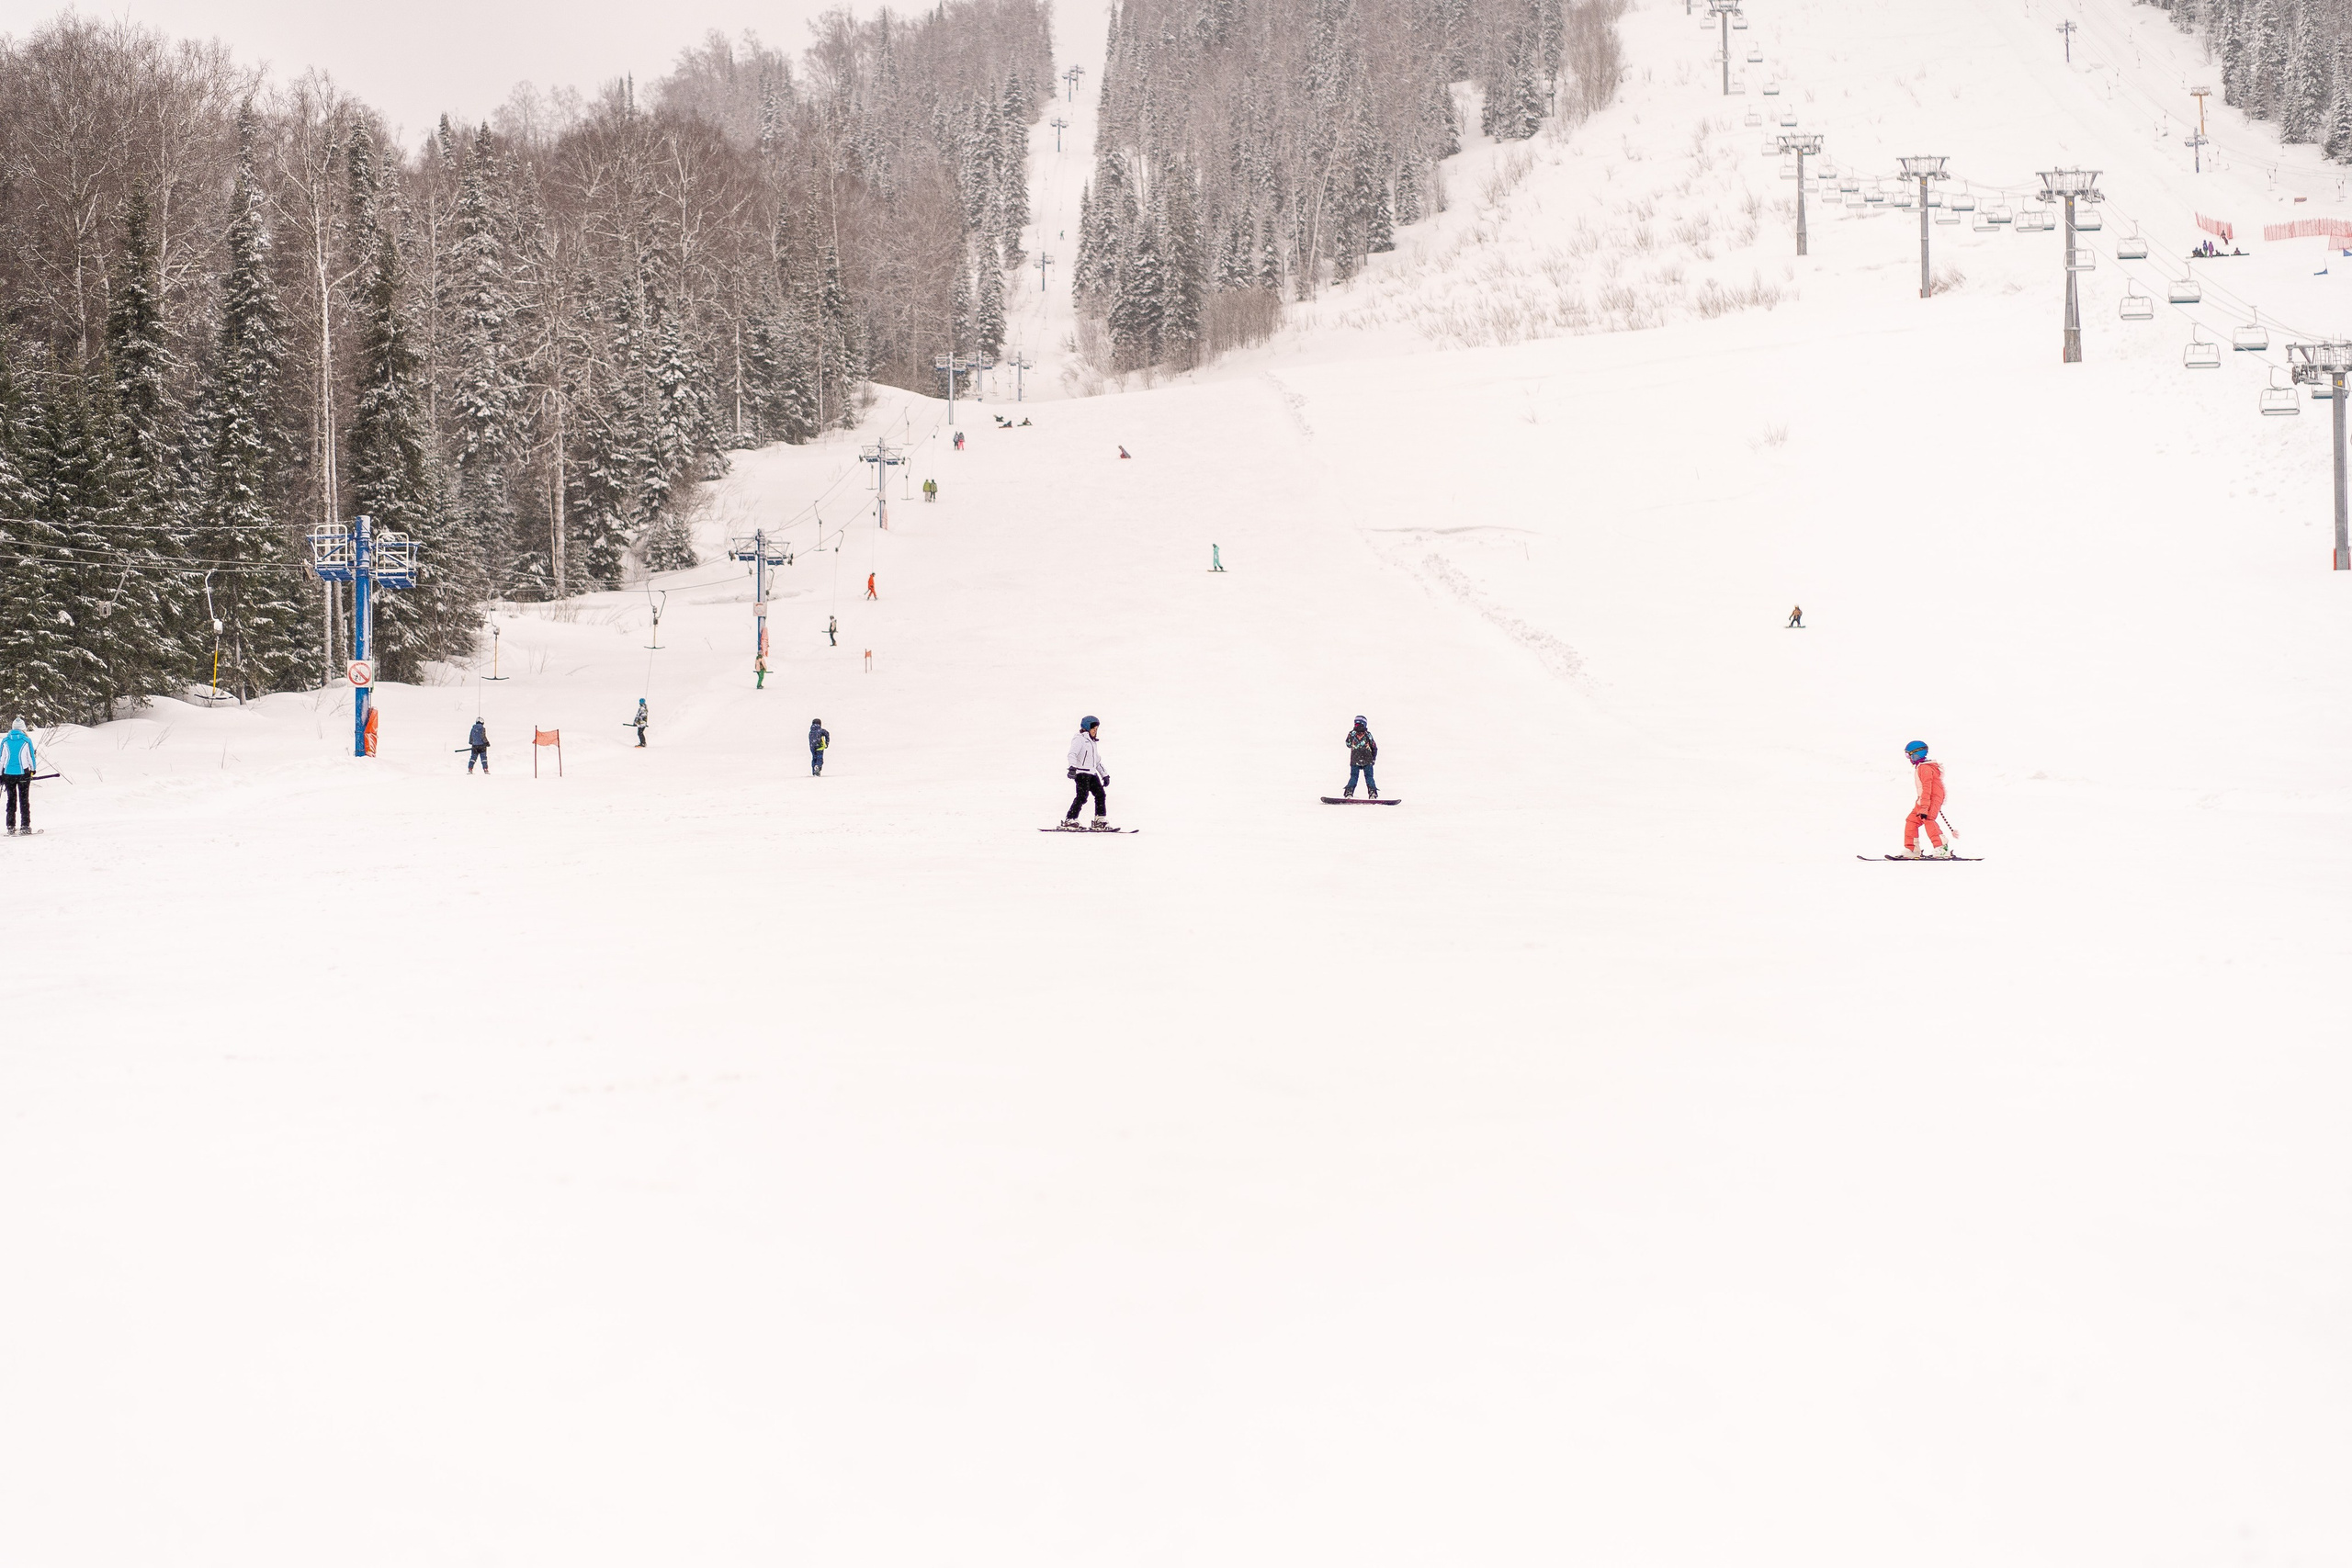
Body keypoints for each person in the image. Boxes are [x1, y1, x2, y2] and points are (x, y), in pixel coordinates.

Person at [1900, 739, 1951, 857]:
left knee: (1928, 819)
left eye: (1908, 755)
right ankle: (1912, 849)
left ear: (1916, 754)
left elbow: (1927, 789)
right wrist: (1921, 803)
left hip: (1931, 799)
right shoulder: (1921, 767)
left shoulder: (1925, 768)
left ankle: (1942, 848)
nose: (1908, 758)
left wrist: (1924, 807)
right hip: (1924, 800)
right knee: (1911, 821)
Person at [1061, 715, 1113, 829]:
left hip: (1092, 773)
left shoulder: (1093, 742)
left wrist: (1104, 775)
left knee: (1100, 794)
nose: (1095, 731)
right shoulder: (1079, 739)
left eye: (1096, 729)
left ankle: (1100, 819)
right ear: (1087, 727)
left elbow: (1097, 761)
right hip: (1081, 773)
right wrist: (1072, 768)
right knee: (1082, 796)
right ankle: (1070, 819)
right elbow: (1072, 754)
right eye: (1093, 728)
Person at [3, 717, 35, 834]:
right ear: (23, 729)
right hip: (23, 774)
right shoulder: (26, 740)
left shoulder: (5, 741)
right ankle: (25, 826)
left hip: (8, 774)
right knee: (24, 800)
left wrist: (1, 774)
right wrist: (33, 770)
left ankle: (10, 826)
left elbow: (1, 759)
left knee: (11, 800)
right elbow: (31, 757)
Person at [1343, 716, 1378, 798]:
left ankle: (1349, 792)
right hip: (1367, 759)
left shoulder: (1352, 734)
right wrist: (1373, 758)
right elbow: (1374, 747)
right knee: (1369, 777)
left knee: (1354, 776)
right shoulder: (1368, 734)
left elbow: (1348, 744)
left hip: (1355, 759)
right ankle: (1372, 793)